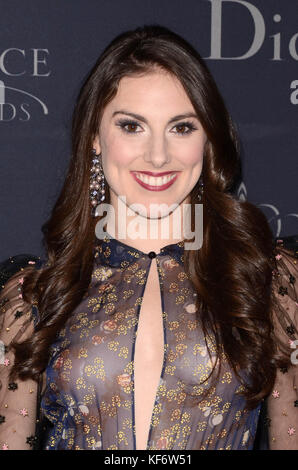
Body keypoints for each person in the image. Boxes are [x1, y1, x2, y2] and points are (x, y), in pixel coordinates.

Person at [0, 24, 297, 451]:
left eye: (181, 128)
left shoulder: (272, 284)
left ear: (208, 140)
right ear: (94, 139)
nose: (158, 156)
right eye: (132, 126)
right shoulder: (34, 297)